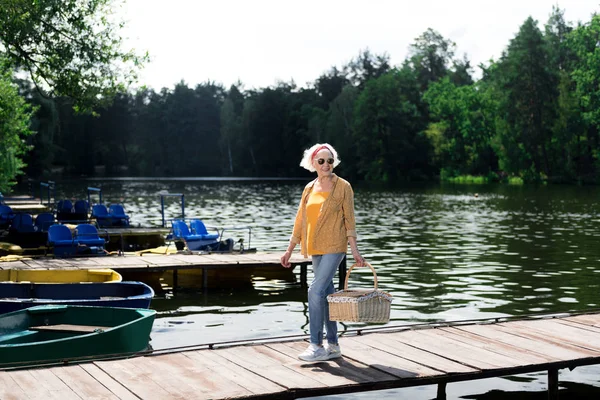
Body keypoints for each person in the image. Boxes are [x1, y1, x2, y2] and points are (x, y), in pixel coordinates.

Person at [281, 143, 365, 362]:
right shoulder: (309, 188)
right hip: (314, 246)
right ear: (313, 163)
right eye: (322, 161)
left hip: (335, 245)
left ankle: (316, 345)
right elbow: (300, 220)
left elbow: (350, 220)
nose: (327, 165)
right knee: (327, 294)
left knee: (315, 290)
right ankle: (334, 345)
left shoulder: (343, 186)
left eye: (330, 161)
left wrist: (354, 250)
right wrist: (289, 249)